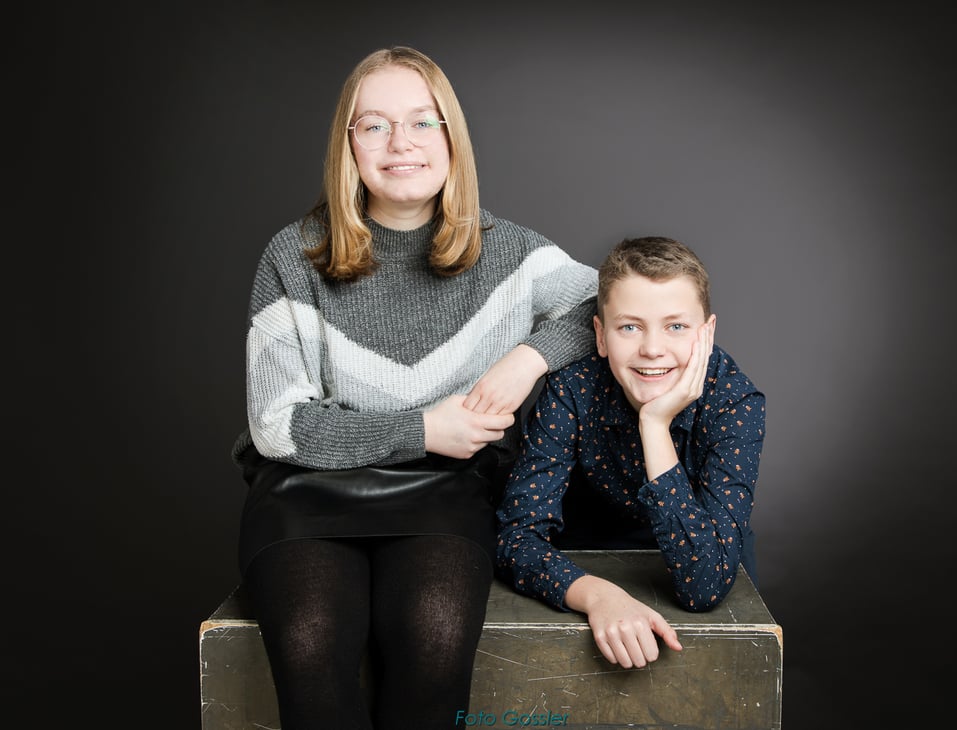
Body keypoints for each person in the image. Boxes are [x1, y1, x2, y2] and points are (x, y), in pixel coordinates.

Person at [230, 46, 598, 730]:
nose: (400, 143)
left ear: (452, 138)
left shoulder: (510, 251)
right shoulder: (293, 255)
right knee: (310, 646)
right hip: (305, 492)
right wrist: (423, 427)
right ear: (349, 145)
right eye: (374, 125)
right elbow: (277, 425)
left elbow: (609, 306)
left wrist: (530, 357)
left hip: (445, 490)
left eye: (423, 122)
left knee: (435, 641)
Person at [495, 236, 766, 670]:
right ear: (600, 336)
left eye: (676, 326)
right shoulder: (572, 387)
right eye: (629, 327)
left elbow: (704, 585)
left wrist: (654, 425)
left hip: (703, 545)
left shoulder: (733, 400)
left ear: (707, 333)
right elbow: (516, 537)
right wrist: (597, 594)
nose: (652, 349)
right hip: (585, 549)